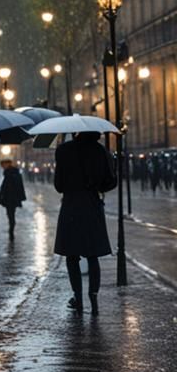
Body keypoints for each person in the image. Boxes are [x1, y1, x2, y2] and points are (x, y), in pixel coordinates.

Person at [53, 131, 117, 315]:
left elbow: (58, 185)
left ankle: (78, 298)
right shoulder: (100, 150)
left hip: (71, 205)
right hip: (92, 205)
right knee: (92, 255)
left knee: (71, 256)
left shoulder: (64, 150)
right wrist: (95, 186)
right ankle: (94, 298)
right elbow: (111, 181)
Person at [0, 158, 27, 241]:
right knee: (11, 215)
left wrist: (1, 195)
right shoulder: (14, 173)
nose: (2, 167)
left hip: (10, 198)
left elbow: (6, 187)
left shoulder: (9, 173)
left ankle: (11, 231)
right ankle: (11, 230)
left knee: (10, 215)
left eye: (3, 165)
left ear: (7, 164)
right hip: (13, 198)